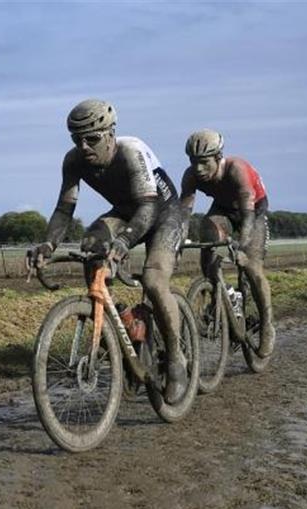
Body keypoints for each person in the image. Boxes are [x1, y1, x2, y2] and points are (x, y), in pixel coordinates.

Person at [26, 99, 188, 403]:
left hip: (163, 213)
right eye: (77, 139)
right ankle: (123, 326)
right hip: (127, 211)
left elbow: (148, 208)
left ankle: (177, 358)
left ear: (111, 134)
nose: (84, 146)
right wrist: (48, 244)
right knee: (91, 246)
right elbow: (64, 210)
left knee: (153, 281)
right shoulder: (73, 161)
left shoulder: (131, 152)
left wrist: (125, 241)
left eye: (93, 138)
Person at [179, 128, 274, 357]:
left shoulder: (236, 170)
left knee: (251, 267)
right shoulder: (190, 176)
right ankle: (224, 293)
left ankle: (268, 326)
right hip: (222, 209)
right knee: (208, 237)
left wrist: (241, 247)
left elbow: (248, 216)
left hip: (252, 212)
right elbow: (184, 213)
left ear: (218, 158)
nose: (199, 169)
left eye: (204, 163)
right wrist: (178, 241)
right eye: (194, 162)